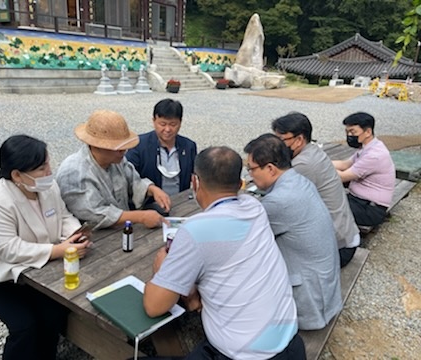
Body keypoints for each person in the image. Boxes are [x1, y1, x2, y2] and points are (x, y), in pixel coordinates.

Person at [143, 146, 306, 360]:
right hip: (291, 346)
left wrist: (161, 269)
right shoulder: (254, 207)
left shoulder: (194, 230)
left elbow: (154, 306)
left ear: (195, 182)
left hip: (245, 355)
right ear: (240, 185)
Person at [0, 135, 91, 360]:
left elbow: (64, 215)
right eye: (42, 168)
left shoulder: (48, 186)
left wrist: (75, 234)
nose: (49, 172)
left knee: (54, 314)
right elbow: (9, 249)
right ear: (17, 175)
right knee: (25, 326)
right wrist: (58, 250)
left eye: (48, 163)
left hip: (37, 274)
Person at [244, 134, 342, 331]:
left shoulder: (280, 201)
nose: (249, 176)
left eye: (251, 169)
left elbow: (244, 242)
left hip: (310, 303)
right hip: (324, 286)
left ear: (270, 168)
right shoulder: (299, 180)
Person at [271, 112, 360, 268]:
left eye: (281, 140)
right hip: (346, 236)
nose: (276, 146)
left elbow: (279, 202)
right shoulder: (313, 150)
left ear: (299, 140)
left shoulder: (303, 164)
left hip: (337, 249)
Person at [56, 109, 170, 229]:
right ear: (97, 146)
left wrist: (152, 189)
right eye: (118, 148)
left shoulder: (116, 159)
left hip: (122, 229)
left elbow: (133, 179)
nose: (124, 151)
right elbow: (96, 213)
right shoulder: (74, 172)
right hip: (94, 237)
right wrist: (141, 216)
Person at [332, 112, 395, 227]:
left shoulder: (374, 155)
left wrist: (317, 168)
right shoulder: (369, 147)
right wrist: (322, 162)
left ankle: (348, 241)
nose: (350, 136)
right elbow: (345, 164)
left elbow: (342, 177)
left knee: (324, 206)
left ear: (368, 132)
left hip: (369, 210)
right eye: (347, 132)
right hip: (361, 201)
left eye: (353, 132)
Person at [126, 99, 197, 198]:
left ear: (180, 123)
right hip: (149, 203)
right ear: (154, 121)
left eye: (173, 124)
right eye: (162, 124)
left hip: (180, 201)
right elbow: (128, 177)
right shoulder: (139, 145)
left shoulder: (189, 146)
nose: (167, 129)